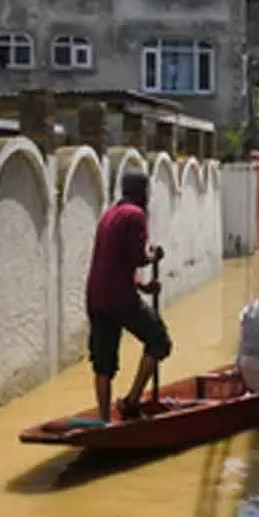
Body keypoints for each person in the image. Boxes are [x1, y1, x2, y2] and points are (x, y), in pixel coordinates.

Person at [85, 171, 170, 421]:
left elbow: (113, 261)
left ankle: (103, 420)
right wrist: (154, 256)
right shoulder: (135, 215)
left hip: (96, 296)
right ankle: (132, 402)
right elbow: (136, 257)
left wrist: (142, 287)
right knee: (159, 341)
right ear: (142, 193)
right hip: (119, 297)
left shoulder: (108, 215)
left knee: (103, 362)